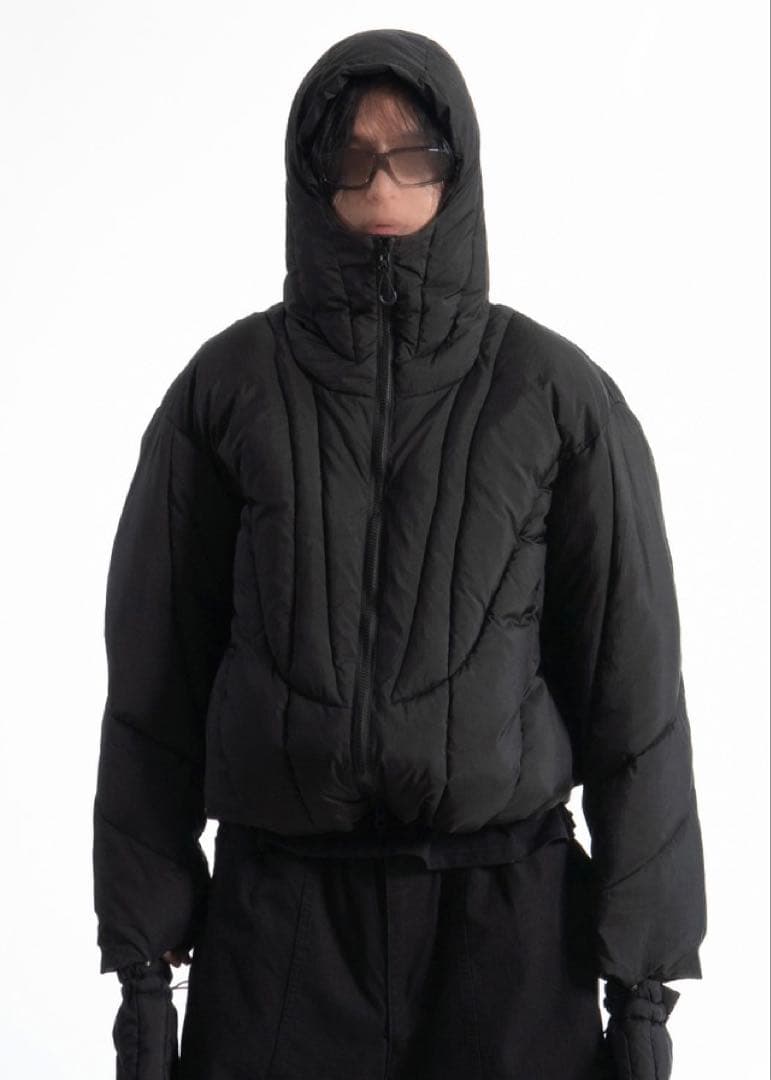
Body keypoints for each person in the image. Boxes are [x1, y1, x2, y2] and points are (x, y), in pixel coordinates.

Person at [92, 27, 707, 1080]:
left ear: (456, 170)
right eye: (350, 155)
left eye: (412, 153)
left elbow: (634, 695)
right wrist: (143, 959)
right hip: (280, 924)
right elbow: (155, 681)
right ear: (309, 175)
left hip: (506, 925)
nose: (382, 182)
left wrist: (642, 986)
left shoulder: (556, 396)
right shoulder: (225, 391)